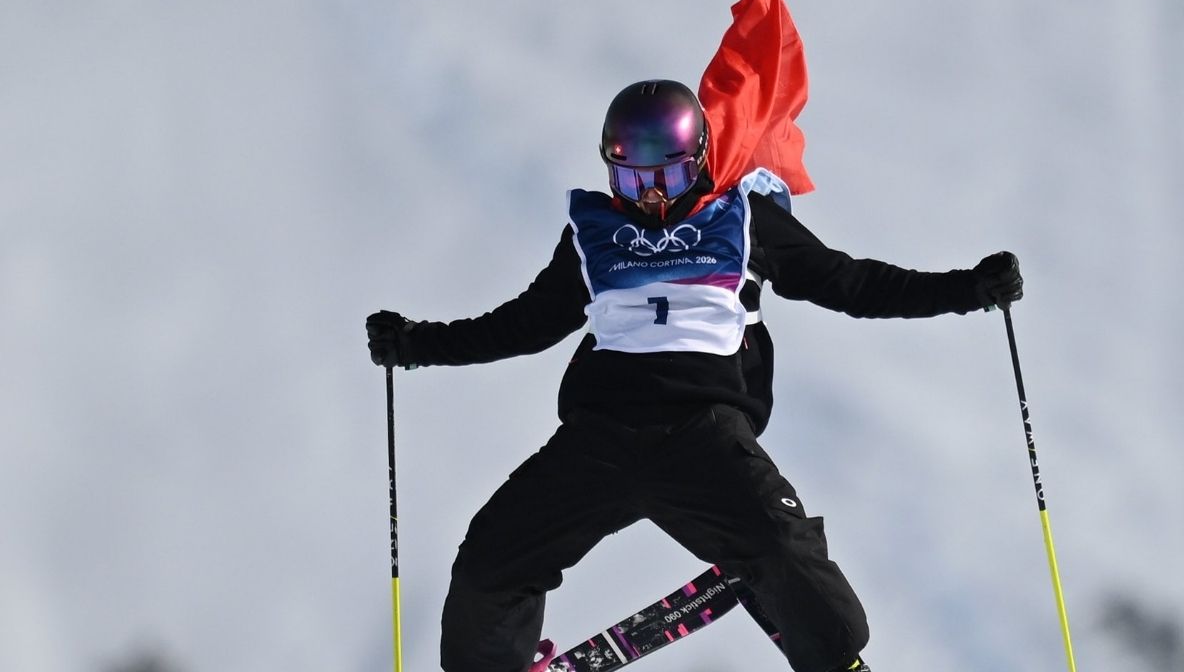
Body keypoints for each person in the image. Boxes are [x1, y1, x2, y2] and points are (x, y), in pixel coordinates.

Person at [366, 79, 1023, 672]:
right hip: (598, 439)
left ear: (701, 162)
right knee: (488, 564)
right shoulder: (592, 237)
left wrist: (969, 289)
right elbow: (524, 324)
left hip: (702, 437)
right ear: (610, 170)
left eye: (670, 176)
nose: (651, 197)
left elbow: (848, 282)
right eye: (631, 182)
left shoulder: (741, 222)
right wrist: (418, 344)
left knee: (785, 555)